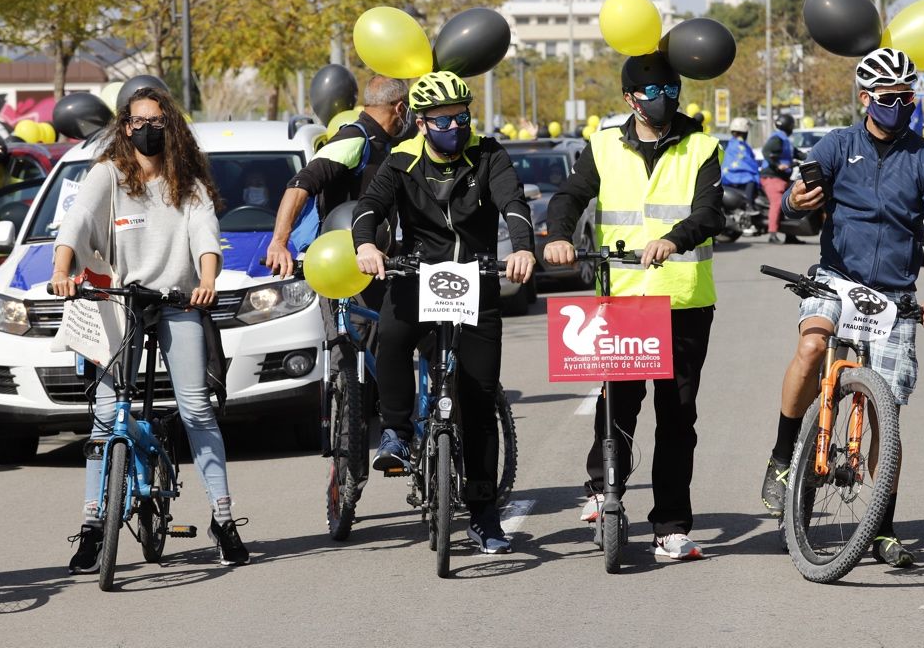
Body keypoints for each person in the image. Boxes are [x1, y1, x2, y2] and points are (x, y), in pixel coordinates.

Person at [759, 47, 924, 567]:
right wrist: (798, 198)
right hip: (837, 278)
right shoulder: (839, 144)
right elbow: (802, 188)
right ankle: (783, 457)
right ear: (866, 98)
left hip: (893, 294)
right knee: (810, 345)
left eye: (907, 98)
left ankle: (883, 527)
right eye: (890, 98)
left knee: (882, 409)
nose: (901, 106)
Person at [52, 87, 249, 571]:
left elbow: (205, 233)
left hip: (178, 301)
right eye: (138, 121)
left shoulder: (189, 183)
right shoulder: (109, 175)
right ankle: (94, 524)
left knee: (197, 408)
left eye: (157, 121)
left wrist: (206, 280)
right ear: (125, 128)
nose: (147, 129)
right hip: (119, 302)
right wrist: (62, 271)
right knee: (103, 418)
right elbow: (77, 221)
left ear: (171, 127)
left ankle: (223, 519)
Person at [544, 51, 723, 561]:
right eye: (652, 94)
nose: (663, 101)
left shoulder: (702, 146)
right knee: (618, 404)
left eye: (671, 92)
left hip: (684, 299)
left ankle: (670, 526)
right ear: (629, 99)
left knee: (677, 417)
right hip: (622, 300)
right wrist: (557, 235)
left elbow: (711, 212)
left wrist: (674, 238)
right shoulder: (600, 146)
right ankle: (602, 489)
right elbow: (570, 195)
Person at [352, 71, 536, 554]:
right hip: (417, 275)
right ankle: (396, 429)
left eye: (460, 117)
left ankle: (483, 516)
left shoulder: (489, 153)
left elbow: (513, 202)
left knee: (477, 400)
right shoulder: (401, 159)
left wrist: (521, 248)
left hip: (477, 280)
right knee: (391, 338)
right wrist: (366, 245)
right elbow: (369, 207)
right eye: (441, 120)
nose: (453, 127)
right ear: (420, 122)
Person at [265, 74, 410, 284]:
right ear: (399, 109)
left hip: (373, 262)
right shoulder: (355, 138)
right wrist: (279, 242)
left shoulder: (384, 143)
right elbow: (299, 185)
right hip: (343, 265)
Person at [760, 113, 798, 244]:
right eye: (792, 125)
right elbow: (766, 152)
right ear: (788, 126)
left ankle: (791, 235)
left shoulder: (785, 140)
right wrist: (777, 165)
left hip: (783, 178)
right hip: (772, 177)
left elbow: (798, 153)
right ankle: (772, 234)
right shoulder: (777, 139)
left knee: (792, 203)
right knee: (777, 203)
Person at [721, 116, 760, 203]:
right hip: (734, 175)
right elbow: (747, 162)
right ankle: (748, 204)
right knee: (751, 178)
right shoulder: (741, 145)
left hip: (726, 175)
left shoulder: (731, 143)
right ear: (744, 131)